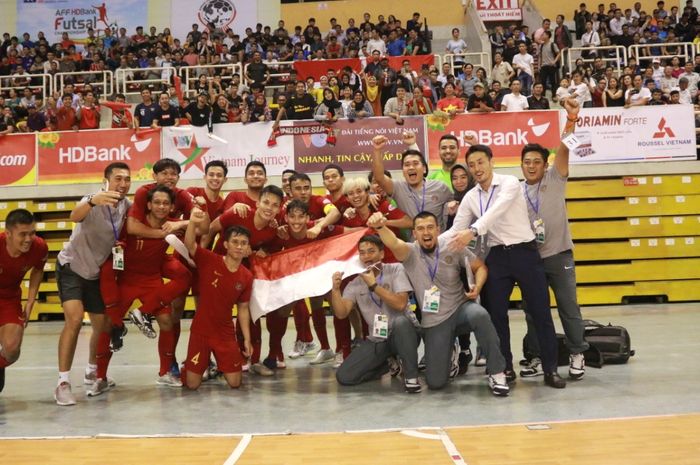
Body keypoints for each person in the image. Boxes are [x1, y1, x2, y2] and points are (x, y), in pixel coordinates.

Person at [447, 143, 567, 389]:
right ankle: (505, 367)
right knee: (496, 316)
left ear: (491, 161)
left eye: (481, 162)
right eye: (472, 165)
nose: (477, 168)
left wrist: (473, 230)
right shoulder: (471, 196)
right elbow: (454, 231)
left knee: (541, 313)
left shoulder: (510, 183)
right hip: (497, 256)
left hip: (525, 252)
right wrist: (420, 243)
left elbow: (496, 211)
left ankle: (551, 369)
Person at [367, 211, 509, 395]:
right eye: (420, 229)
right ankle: (450, 349)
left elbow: (480, 266)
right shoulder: (410, 253)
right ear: (414, 234)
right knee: (435, 382)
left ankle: (497, 373)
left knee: (480, 314)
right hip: (434, 321)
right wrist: (380, 227)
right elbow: (393, 242)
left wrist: (478, 286)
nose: (426, 232)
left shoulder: (452, 246)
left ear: (438, 229)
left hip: (460, 309)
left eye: (430, 227)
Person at [92, 186, 192, 395]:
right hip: (127, 280)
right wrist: (111, 301)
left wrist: (182, 222)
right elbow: (114, 260)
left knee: (166, 320)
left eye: (166, 203)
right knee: (109, 324)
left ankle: (165, 372)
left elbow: (201, 225)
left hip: (152, 281)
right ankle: (100, 377)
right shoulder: (133, 223)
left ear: (172, 207)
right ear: (148, 204)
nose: (161, 207)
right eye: (157, 202)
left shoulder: (171, 225)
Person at [519, 99, 588, 381]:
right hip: (532, 260)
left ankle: (576, 351)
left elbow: (565, 147)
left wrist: (571, 119)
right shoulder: (515, 191)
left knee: (568, 306)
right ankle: (536, 357)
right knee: (534, 312)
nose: (532, 166)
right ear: (521, 165)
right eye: (527, 162)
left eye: (537, 161)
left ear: (544, 164)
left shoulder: (555, 178)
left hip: (559, 255)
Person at [54, 163, 132, 406]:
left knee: (103, 324)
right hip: (72, 267)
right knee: (75, 319)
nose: (122, 183)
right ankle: (63, 382)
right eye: (117, 178)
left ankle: (91, 370)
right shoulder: (93, 198)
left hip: (96, 273)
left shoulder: (126, 206)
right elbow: (74, 215)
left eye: (127, 179)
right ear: (106, 180)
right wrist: (92, 201)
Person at [331, 235, 421, 393]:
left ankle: (411, 377)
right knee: (344, 377)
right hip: (378, 339)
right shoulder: (355, 283)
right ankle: (386, 365)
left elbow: (400, 304)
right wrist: (335, 290)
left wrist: (373, 285)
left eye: (371, 251)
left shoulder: (395, 269)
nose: (366, 257)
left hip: (404, 333)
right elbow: (342, 313)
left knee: (401, 323)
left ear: (381, 254)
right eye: (362, 253)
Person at [182, 209, 253, 390]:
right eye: (235, 242)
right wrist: (191, 222)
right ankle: (195, 365)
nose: (239, 246)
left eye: (243, 243)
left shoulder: (246, 276)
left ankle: (216, 365)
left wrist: (246, 339)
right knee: (192, 385)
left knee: (235, 383)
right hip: (201, 330)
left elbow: (243, 309)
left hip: (225, 333)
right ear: (226, 244)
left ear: (247, 249)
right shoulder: (209, 260)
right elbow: (190, 245)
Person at [0, 210, 47, 393]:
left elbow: (37, 270)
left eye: (32, 233)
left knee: (12, 349)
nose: (29, 239)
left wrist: (29, 302)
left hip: (10, 298)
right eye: (23, 234)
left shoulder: (40, 247)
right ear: (8, 234)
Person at [370, 133, 453, 229]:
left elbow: (457, 203)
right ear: (403, 171)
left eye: (415, 163)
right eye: (407, 165)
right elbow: (379, 177)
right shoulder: (398, 188)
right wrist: (377, 150)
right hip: (414, 242)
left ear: (424, 169)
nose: (411, 167)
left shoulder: (440, 187)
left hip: (439, 241)